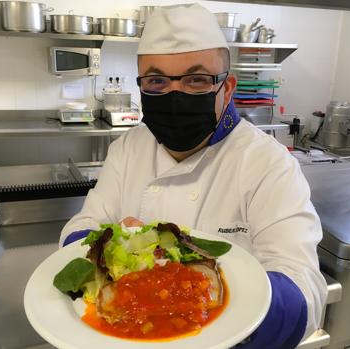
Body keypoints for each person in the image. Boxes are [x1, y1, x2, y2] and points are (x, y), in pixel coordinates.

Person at [60, 4, 327, 348]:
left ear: (227, 88)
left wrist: (200, 289)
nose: (175, 95)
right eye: (157, 81)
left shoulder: (267, 164)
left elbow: (305, 292)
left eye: (197, 80)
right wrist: (109, 251)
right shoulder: (128, 148)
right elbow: (84, 225)